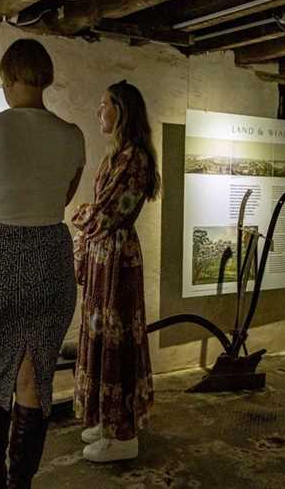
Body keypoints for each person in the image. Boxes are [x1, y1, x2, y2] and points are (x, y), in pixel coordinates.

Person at [0, 38, 85, 489]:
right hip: (50, 259)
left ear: (7, 79)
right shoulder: (72, 135)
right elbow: (60, 199)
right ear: (44, 80)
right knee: (34, 376)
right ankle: (20, 482)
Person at [72, 80, 160, 463]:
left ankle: (122, 434)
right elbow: (98, 215)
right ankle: (106, 420)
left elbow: (103, 214)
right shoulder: (117, 156)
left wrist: (81, 215)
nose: (99, 112)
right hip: (105, 258)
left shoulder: (134, 158)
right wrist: (89, 217)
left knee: (116, 340)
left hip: (117, 260)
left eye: (104, 104)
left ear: (121, 111)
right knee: (99, 335)